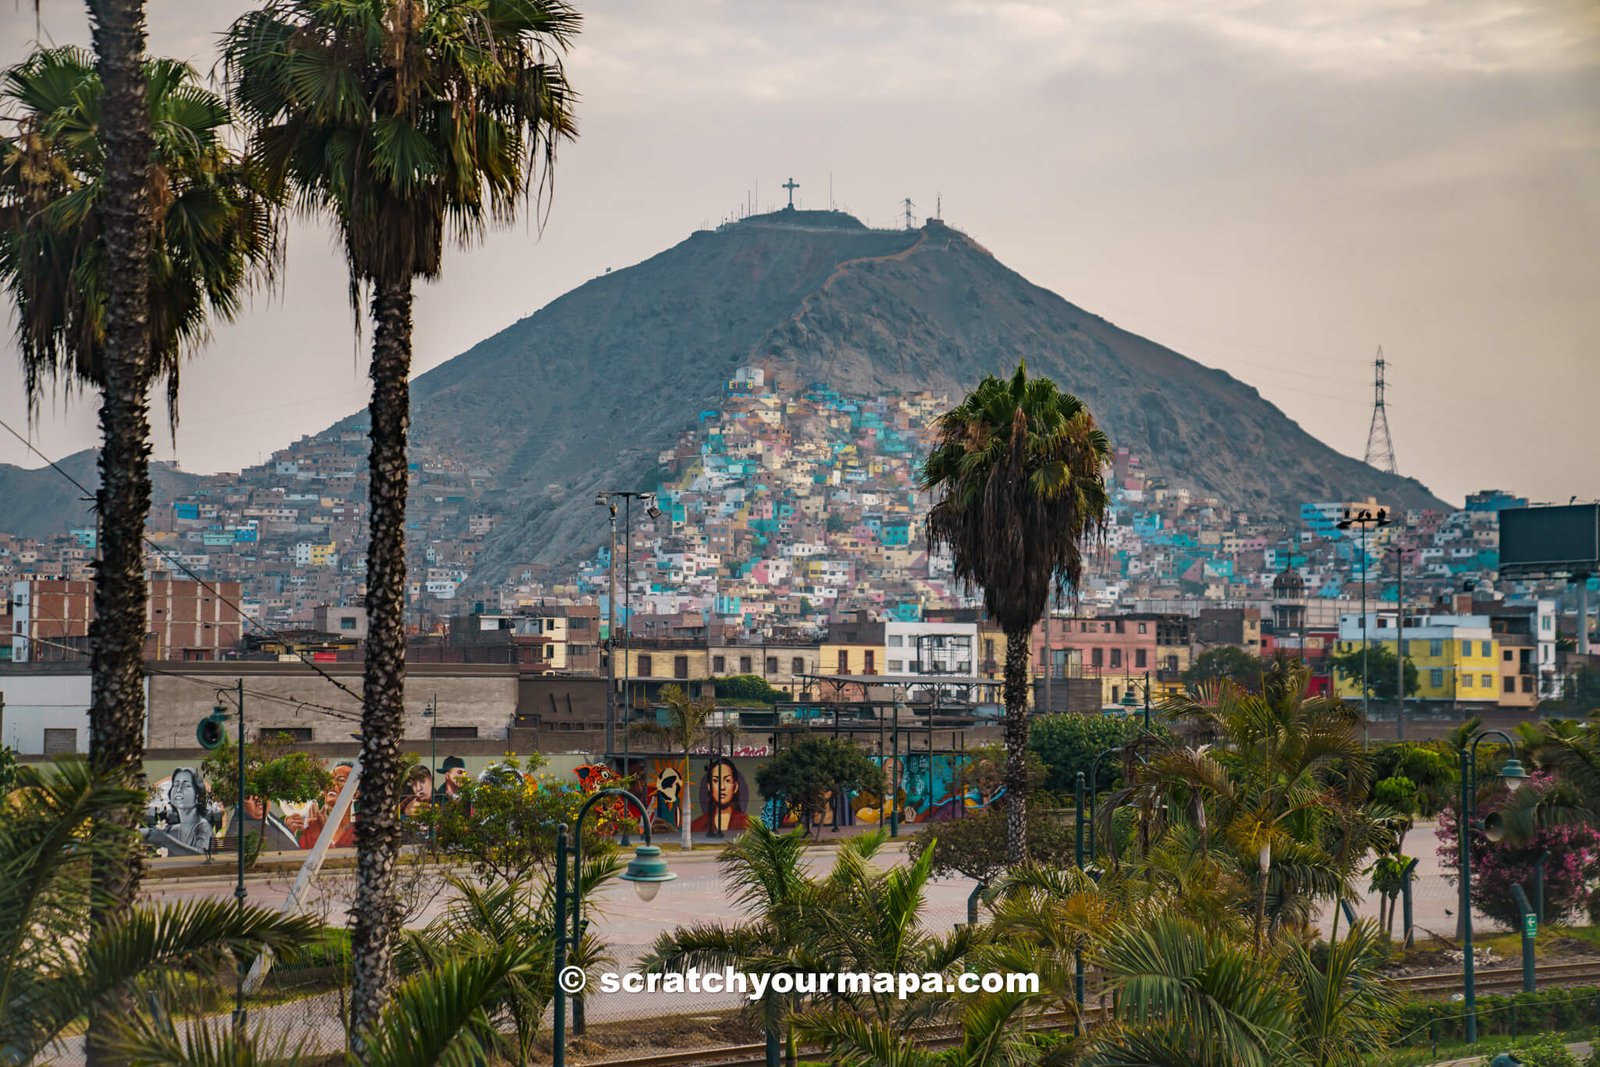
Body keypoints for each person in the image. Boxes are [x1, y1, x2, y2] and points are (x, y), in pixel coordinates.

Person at [143, 768, 215, 856]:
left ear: (197, 795)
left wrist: (166, 840)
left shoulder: (203, 827)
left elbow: (203, 854)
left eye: (187, 786)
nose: (178, 790)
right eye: (176, 785)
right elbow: (148, 833)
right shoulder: (174, 829)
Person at [299, 762, 356, 849]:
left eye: (341, 780)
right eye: (329, 780)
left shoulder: (362, 830)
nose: (332, 784)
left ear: (356, 792)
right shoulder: (312, 829)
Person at [690, 757, 749, 834]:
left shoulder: (746, 823)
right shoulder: (697, 825)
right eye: (716, 781)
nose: (722, 787)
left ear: (735, 787)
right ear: (709, 787)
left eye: (727, 780)